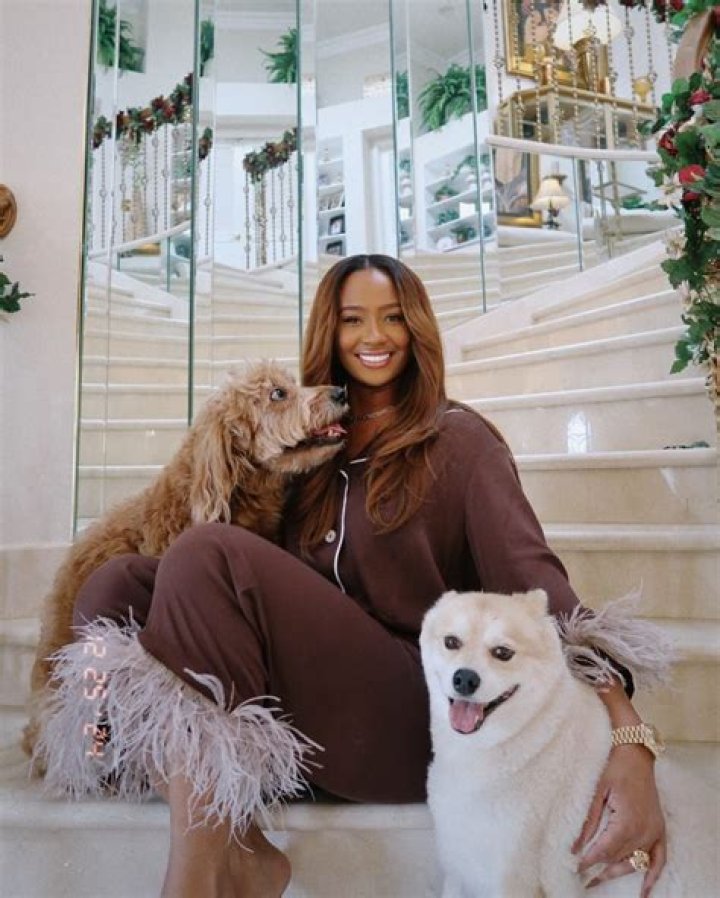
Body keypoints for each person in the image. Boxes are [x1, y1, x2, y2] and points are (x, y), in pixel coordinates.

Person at [36, 254, 667, 898]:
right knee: (115, 583)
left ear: (417, 329)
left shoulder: (462, 442)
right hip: (303, 711)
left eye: (393, 318)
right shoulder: (310, 451)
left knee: (206, 554)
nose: (374, 337)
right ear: (329, 332)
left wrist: (629, 739)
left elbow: (541, 591)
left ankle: (195, 881)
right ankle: (221, 831)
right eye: (352, 320)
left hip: (407, 715)